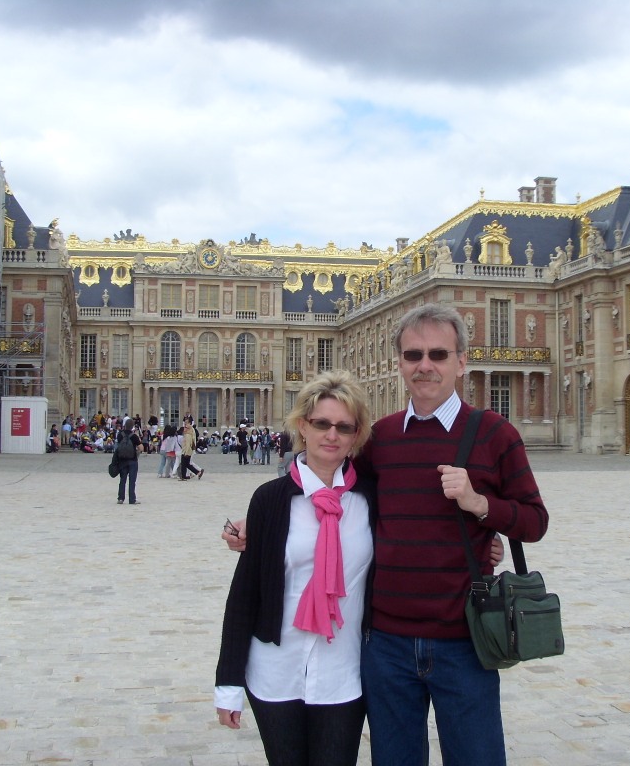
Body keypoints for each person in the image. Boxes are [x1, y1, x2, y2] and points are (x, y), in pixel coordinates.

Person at [225, 304, 546, 765]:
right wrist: (261, 523)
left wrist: (481, 505)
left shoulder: (495, 434)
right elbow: (327, 482)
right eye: (413, 355)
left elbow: (534, 521)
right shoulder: (382, 438)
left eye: (438, 354)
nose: (425, 365)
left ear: (461, 361)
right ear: (400, 363)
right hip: (386, 645)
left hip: (464, 639)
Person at [215, 371, 375, 766]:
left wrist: (484, 541)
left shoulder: (371, 497)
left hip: (343, 670)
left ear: (356, 435)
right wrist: (228, 683)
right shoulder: (270, 500)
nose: (331, 435)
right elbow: (245, 594)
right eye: (321, 423)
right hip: (276, 668)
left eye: (343, 426)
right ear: (302, 426)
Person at [115, 417, 142, 505]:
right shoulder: (134, 436)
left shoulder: (120, 435)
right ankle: (132, 499)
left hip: (122, 460)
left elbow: (118, 446)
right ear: (132, 426)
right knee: (132, 480)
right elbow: (141, 448)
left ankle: (120, 498)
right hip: (132, 460)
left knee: (122, 480)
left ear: (125, 425)